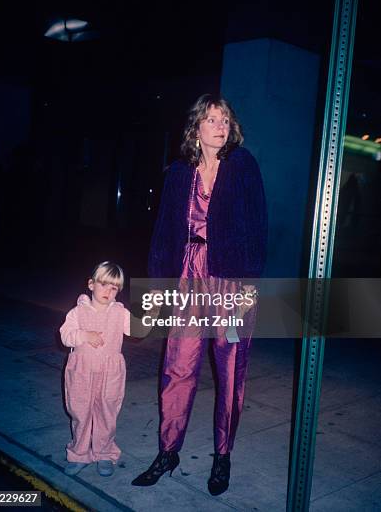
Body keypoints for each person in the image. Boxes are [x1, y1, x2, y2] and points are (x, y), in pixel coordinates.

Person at [132, 94, 267, 495]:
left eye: (225, 118)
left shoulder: (243, 167)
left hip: (229, 278)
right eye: (211, 119)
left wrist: (248, 287)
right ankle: (168, 451)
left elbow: (258, 228)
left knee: (229, 372)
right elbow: (163, 232)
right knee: (178, 366)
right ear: (197, 127)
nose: (220, 125)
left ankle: (222, 457)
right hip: (188, 274)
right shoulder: (178, 172)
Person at [60, 260, 155, 477]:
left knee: (106, 412)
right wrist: (84, 335)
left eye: (114, 288)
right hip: (81, 370)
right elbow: (65, 335)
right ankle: (79, 454)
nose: (108, 291)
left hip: (110, 372)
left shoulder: (119, 313)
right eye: (104, 284)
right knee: (81, 412)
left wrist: (151, 313)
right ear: (91, 284)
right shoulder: (77, 312)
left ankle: (104, 453)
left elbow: (137, 330)